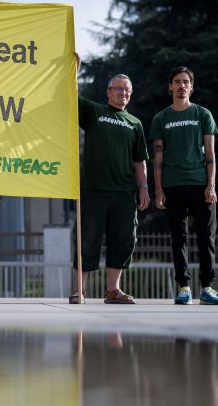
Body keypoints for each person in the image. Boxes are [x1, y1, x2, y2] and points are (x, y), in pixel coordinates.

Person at [71, 54, 150, 304]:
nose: (123, 93)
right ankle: (79, 291)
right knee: (87, 240)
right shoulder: (95, 112)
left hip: (125, 193)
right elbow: (70, 97)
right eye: (118, 89)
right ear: (109, 92)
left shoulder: (135, 123)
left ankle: (113, 291)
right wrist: (75, 70)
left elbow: (140, 160)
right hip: (94, 189)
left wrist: (145, 188)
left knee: (123, 240)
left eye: (127, 90)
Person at [150, 66, 218, 305]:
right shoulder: (161, 118)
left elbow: (210, 154)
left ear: (192, 86)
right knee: (178, 239)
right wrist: (158, 190)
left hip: (200, 185)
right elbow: (157, 158)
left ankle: (207, 287)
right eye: (177, 81)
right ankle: (184, 287)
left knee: (206, 238)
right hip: (172, 186)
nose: (181, 85)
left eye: (186, 82)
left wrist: (211, 185)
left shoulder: (203, 115)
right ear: (170, 86)